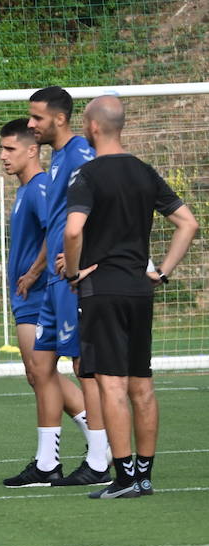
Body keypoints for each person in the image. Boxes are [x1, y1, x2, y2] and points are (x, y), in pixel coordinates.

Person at [63, 95, 198, 498]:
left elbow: (73, 231)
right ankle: (143, 475)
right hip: (140, 291)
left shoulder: (86, 175)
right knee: (142, 385)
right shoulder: (144, 172)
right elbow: (187, 223)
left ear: (93, 127)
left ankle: (122, 479)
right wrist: (162, 272)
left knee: (112, 385)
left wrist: (73, 272)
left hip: (102, 290)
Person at [23, 86, 109, 487]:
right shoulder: (58, 158)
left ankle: (99, 457)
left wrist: (82, 257)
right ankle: (45, 463)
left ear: (59, 118)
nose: (31, 124)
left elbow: (103, 209)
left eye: (37, 117)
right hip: (54, 281)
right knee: (40, 367)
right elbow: (58, 220)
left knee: (82, 367)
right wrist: (40, 266)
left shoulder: (80, 155)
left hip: (73, 280)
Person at [0, 119, 89, 487]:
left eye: (10, 149)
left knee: (43, 373)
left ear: (32, 149)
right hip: (27, 296)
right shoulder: (25, 190)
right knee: (40, 375)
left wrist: (35, 271)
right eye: (1, 149)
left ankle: (59, 457)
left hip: (38, 296)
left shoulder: (40, 188)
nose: (3, 156)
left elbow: (58, 230)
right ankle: (97, 445)